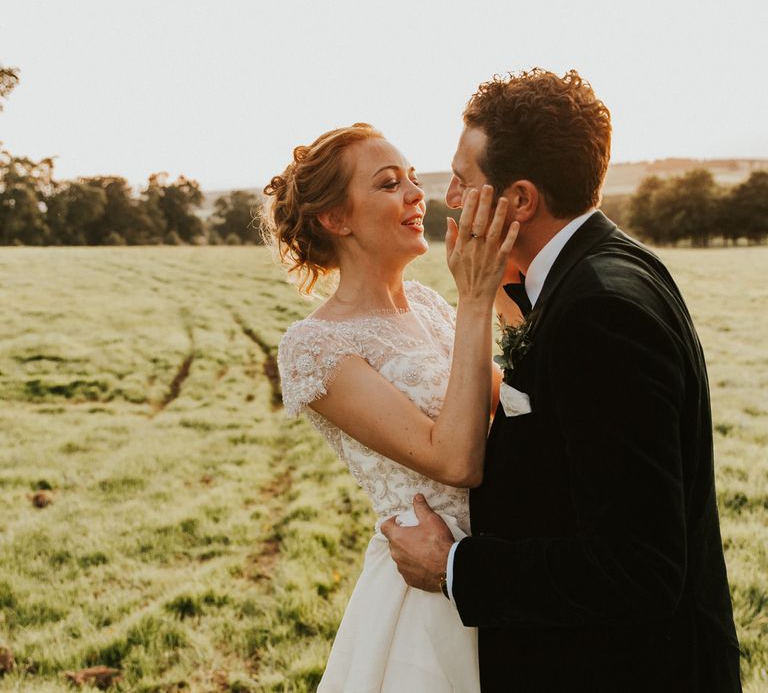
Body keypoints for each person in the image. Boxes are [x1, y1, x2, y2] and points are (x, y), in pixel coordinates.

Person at [381, 68, 743, 692]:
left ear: (520, 200)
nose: (452, 202)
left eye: (465, 184)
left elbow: (639, 569)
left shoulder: (599, 313)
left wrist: (455, 566)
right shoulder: (603, 269)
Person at [267, 122, 518, 691]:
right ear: (336, 218)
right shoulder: (315, 346)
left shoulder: (428, 305)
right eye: (387, 184)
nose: (415, 196)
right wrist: (475, 299)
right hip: (427, 594)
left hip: (501, 571)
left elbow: (505, 412)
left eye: (410, 179)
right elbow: (456, 463)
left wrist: (504, 289)